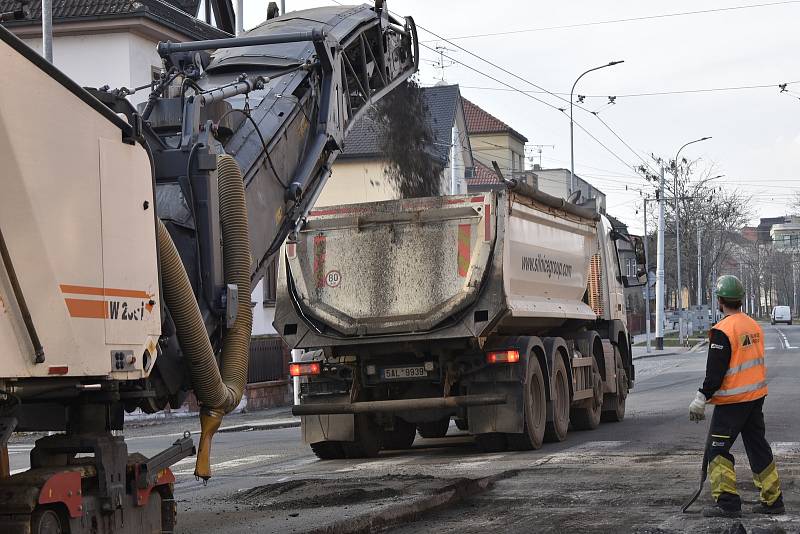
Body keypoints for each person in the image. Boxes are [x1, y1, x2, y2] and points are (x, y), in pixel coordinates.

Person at [688, 274, 784, 517]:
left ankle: (728, 504)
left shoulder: (722, 330)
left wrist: (701, 398)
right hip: (755, 398)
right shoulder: (753, 326)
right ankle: (773, 501)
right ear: (740, 300)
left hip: (732, 403)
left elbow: (715, 374)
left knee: (717, 451)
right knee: (758, 447)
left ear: (720, 301)